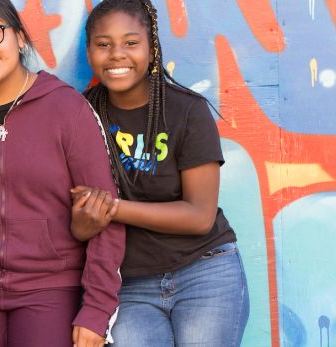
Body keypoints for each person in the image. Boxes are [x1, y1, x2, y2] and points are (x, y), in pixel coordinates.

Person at [0, 1, 126, 346]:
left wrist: (96, 310)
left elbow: (106, 213)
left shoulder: (67, 108)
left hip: (51, 287)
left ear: (19, 37)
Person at [74, 0, 250, 346]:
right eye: (103, 44)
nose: (116, 55)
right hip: (129, 285)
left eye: (130, 42)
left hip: (205, 272)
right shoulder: (80, 116)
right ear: (90, 51)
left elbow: (199, 216)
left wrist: (112, 208)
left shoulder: (188, 111)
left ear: (151, 49)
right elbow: (79, 223)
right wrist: (85, 221)